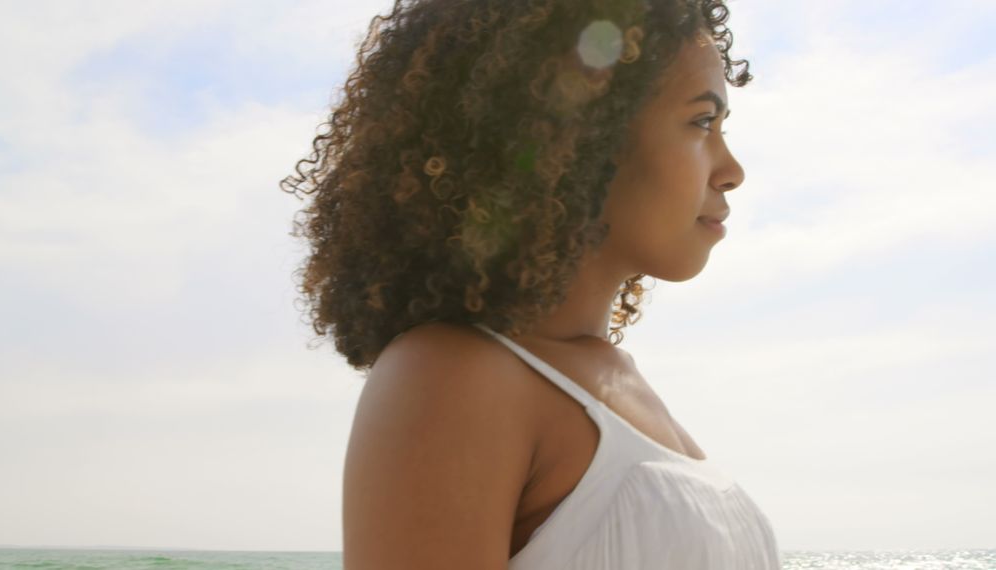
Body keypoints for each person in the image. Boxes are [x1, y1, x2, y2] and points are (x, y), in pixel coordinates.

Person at [281, 0, 781, 567]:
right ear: (577, 137)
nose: (732, 169)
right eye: (701, 122)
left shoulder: (620, 385)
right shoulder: (452, 376)